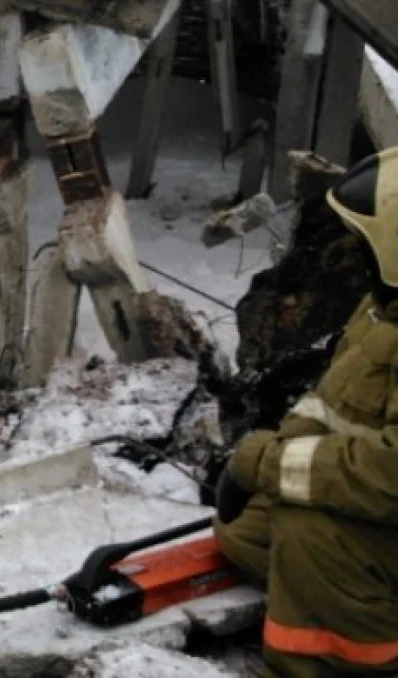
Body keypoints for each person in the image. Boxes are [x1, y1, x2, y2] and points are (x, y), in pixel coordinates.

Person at [215, 147, 398, 677]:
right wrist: (267, 466)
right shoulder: (382, 310)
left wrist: (266, 464)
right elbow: (332, 405)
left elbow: (390, 474)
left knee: (313, 537)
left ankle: (331, 664)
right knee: (249, 533)